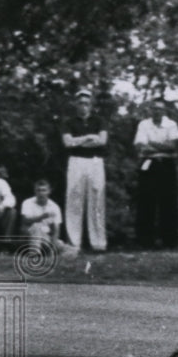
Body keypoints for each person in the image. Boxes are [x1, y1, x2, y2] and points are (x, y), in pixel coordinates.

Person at [61, 89, 108, 252]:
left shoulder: (99, 121)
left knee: (97, 200)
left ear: (91, 105)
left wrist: (78, 140)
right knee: (74, 200)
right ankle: (74, 243)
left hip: (95, 162)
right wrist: (88, 138)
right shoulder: (69, 122)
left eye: (86, 103)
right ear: (76, 104)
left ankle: (98, 243)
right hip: (76, 161)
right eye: (81, 103)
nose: (83, 106)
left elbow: (102, 141)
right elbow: (67, 143)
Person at [133, 98, 178, 249]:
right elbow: (141, 146)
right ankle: (145, 242)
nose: (157, 111)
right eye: (154, 109)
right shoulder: (144, 124)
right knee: (146, 202)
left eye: (160, 109)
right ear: (150, 110)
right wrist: (162, 147)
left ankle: (170, 242)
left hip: (166, 165)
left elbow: (173, 146)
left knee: (168, 202)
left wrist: (151, 144)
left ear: (164, 111)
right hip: (149, 165)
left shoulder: (171, 124)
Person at [19, 179, 63, 251]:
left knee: (61, 245)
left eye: (43, 190)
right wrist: (41, 217)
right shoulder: (27, 203)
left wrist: (54, 243)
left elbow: (57, 229)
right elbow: (24, 221)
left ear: (49, 191)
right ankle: (35, 254)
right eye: (38, 190)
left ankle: (49, 249)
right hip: (28, 236)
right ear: (35, 191)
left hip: (45, 237)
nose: (41, 193)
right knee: (36, 227)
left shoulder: (54, 207)